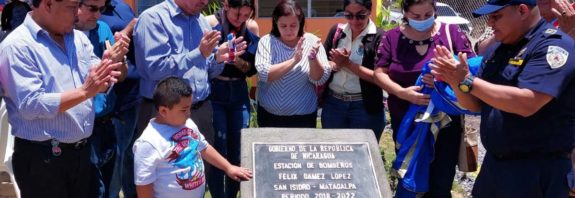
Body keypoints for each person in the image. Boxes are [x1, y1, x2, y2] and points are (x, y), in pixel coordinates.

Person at [430, 0, 575, 196]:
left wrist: (467, 80)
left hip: (536, 173)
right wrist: (455, 81)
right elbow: (475, 105)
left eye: (496, 16)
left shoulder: (554, 46)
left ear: (522, 10)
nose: (490, 23)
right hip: (495, 168)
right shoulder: (499, 49)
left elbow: (527, 103)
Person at [0, 0, 123, 195]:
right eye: (73, 7)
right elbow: (31, 104)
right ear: (48, 5)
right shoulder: (17, 46)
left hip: (82, 152)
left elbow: (98, 81)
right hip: (43, 159)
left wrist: (108, 67)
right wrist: (85, 91)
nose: (78, 13)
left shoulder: (78, 39)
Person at [133, 0, 247, 195]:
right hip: (164, 113)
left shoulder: (201, 21)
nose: (204, 2)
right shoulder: (153, 18)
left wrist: (218, 57)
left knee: (195, 178)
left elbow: (206, 68)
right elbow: (154, 69)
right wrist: (199, 53)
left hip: (199, 111)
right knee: (165, 175)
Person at [373, 0, 475, 196]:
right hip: (406, 121)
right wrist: (402, 92)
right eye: (416, 16)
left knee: (441, 181)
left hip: (446, 124)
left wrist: (444, 75)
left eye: (427, 15)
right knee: (410, 175)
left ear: (435, 11)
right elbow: (379, 72)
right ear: (405, 13)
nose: (422, 20)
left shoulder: (451, 32)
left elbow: (470, 68)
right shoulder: (391, 38)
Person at [133, 76, 252, 198]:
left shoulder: (188, 124)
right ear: (163, 111)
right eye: (184, 110)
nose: (189, 113)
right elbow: (143, 185)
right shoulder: (149, 143)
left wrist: (228, 167)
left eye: (190, 107)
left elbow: (204, 147)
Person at [75, 0, 130, 196]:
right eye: (92, 9)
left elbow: (121, 75)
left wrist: (118, 60)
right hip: (81, 128)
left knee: (111, 188)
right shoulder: (64, 36)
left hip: (107, 121)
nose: (98, 15)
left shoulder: (102, 29)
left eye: (102, 9)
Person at [204, 0, 259, 197]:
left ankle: (233, 194)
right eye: (238, 15)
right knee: (218, 148)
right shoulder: (210, 25)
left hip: (238, 90)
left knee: (238, 148)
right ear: (226, 5)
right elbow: (203, 62)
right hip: (215, 90)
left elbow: (252, 69)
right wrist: (221, 55)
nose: (241, 20)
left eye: (246, 15)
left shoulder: (250, 30)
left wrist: (236, 59)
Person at [255, 0, 331, 128]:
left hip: (303, 115)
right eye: (283, 26)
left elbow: (319, 79)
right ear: (275, 22)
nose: (289, 30)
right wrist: (294, 60)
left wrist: (313, 59)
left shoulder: (312, 41)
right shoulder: (266, 41)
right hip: (269, 115)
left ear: (300, 23)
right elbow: (265, 74)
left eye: (293, 25)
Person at [321, 0, 385, 141]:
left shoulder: (380, 37)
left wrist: (347, 63)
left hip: (364, 106)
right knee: (333, 153)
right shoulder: (337, 32)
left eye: (360, 16)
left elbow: (380, 78)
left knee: (362, 155)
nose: (354, 21)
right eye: (349, 15)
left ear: (369, 11)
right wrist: (334, 64)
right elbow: (324, 60)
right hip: (334, 104)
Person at [98, 0, 139, 196]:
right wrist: (126, 32)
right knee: (113, 166)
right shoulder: (84, 14)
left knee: (131, 159)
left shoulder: (121, 7)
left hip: (132, 96)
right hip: (108, 104)